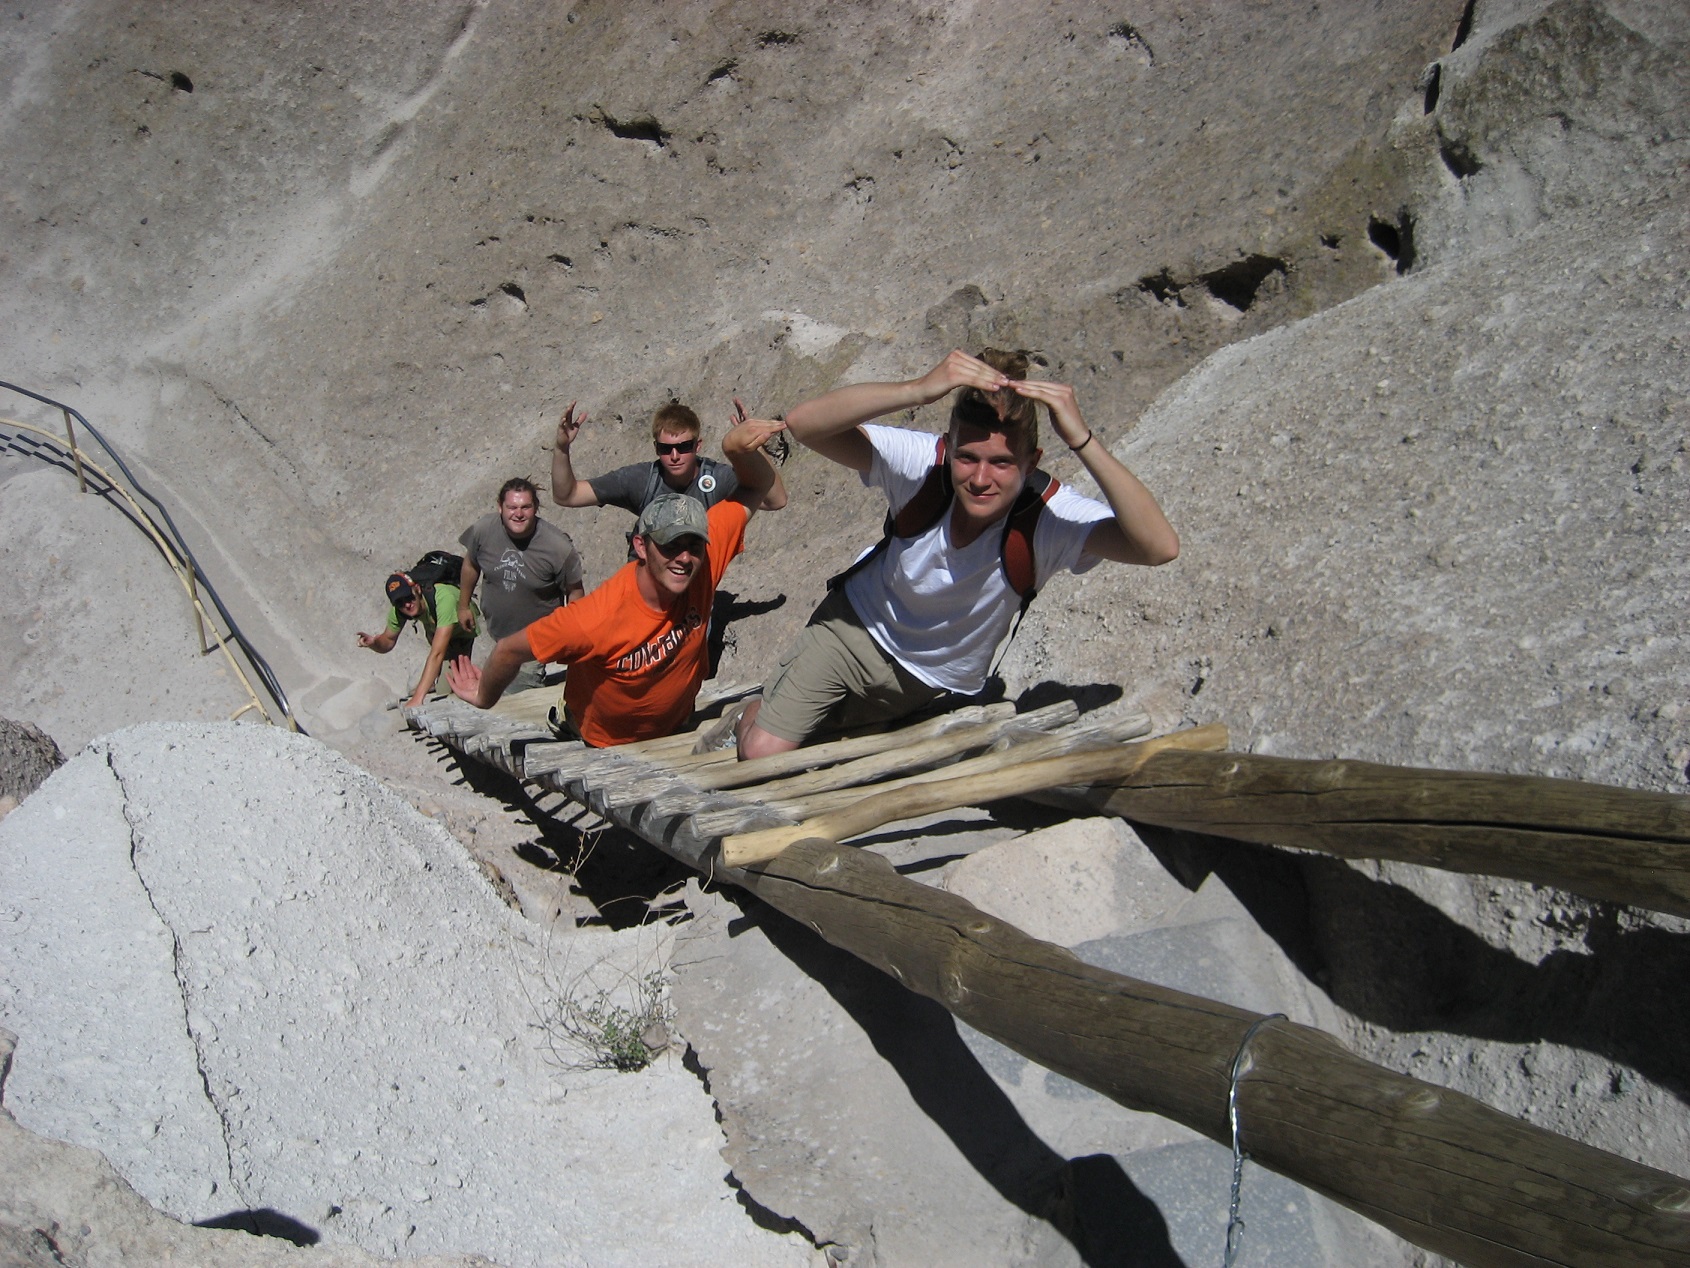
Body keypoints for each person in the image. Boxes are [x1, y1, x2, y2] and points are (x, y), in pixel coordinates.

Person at [736, 348, 1180, 760]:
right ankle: (754, 711)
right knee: (762, 753)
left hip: (925, 680)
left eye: (1002, 463)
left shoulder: (1048, 518)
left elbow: (1158, 547)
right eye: (967, 457)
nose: (981, 478)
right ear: (948, 447)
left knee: (823, 743)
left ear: (1032, 461)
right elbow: (805, 423)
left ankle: (787, 705)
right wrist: (920, 388)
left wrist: (1082, 439)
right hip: (852, 629)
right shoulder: (925, 465)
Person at [448, 415, 785, 747]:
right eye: (670, 546)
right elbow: (509, 648)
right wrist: (484, 697)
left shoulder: (705, 559)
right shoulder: (595, 617)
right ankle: (568, 719)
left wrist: (741, 450)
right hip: (607, 741)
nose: (683, 558)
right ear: (640, 545)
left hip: (677, 724)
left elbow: (760, 488)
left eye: (693, 545)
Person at [550, 399, 789, 528]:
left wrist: (751, 447)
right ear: (656, 448)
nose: (674, 456)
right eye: (666, 449)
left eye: (684, 447)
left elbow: (775, 500)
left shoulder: (717, 478)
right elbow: (567, 496)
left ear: (698, 446)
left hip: (696, 592)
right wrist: (562, 448)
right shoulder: (640, 480)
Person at [456, 478, 586, 694]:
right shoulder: (483, 530)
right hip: (499, 635)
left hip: (536, 640)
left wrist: (573, 638)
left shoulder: (557, 547)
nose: (518, 513)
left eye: (526, 507)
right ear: (500, 507)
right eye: (512, 507)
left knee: (513, 697)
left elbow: (575, 592)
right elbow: (470, 564)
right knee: (495, 691)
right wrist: (463, 605)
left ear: (535, 507)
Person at [357, 569, 479, 709]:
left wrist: (417, 698)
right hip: (436, 629)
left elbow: (437, 654)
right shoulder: (400, 609)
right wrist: (374, 643)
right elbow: (388, 642)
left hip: (461, 632)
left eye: (409, 598)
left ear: (417, 589)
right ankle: (434, 679)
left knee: (447, 688)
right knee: (431, 677)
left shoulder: (444, 598)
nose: (407, 605)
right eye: (400, 602)